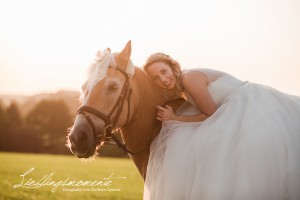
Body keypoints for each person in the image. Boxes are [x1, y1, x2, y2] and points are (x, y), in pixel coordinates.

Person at [142, 53, 300, 200]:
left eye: (164, 71)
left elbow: (210, 113)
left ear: (173, 66)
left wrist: (174, 118)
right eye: (156, 78)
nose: (163, 79)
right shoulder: (181, 88)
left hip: (247, 104)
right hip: (230, 109)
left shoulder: (189, 78)